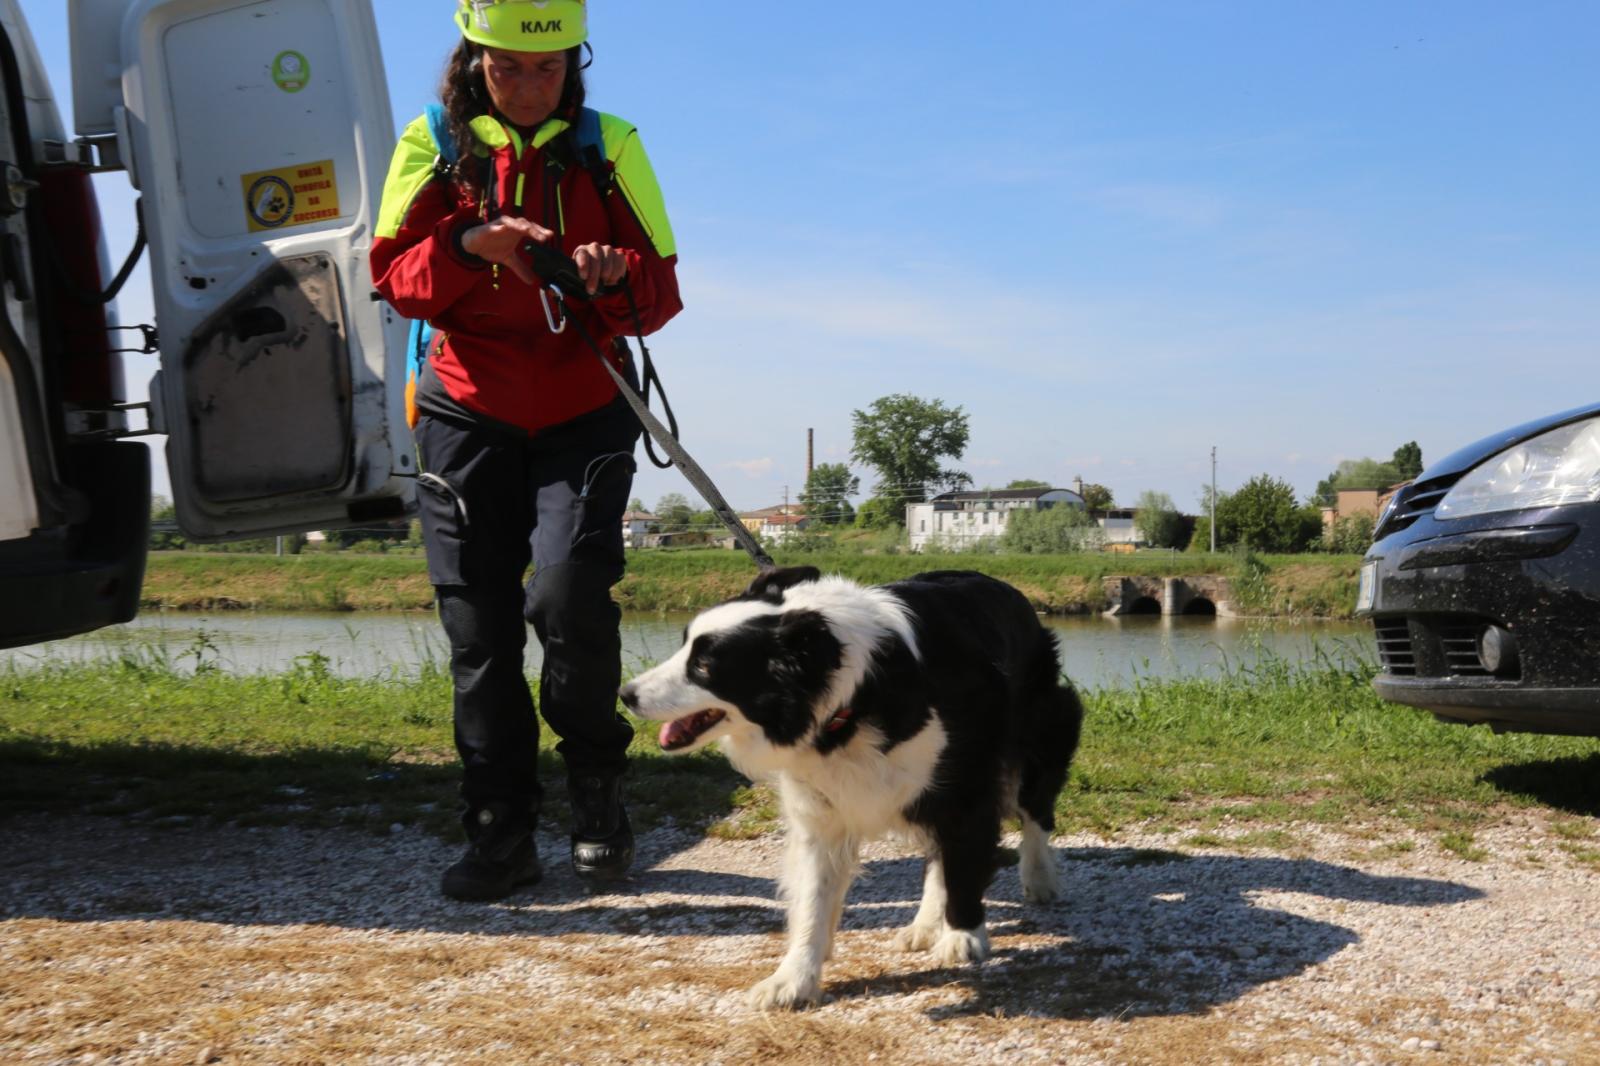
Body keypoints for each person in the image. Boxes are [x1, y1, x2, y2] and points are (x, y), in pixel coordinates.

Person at [371, 0, 682, 900]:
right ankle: (500, 830)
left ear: (574, 63)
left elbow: (659, 293)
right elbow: (393, 275)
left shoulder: (609, 144)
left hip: (584, 408)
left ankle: (597, 802)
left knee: (570, 600)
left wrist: (614, 273)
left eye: (547, 68)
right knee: (481, 634)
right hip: (464, 412)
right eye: (508, 66)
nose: (528, 84)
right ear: (474, 58)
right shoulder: (431, 140)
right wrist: (471, 242)